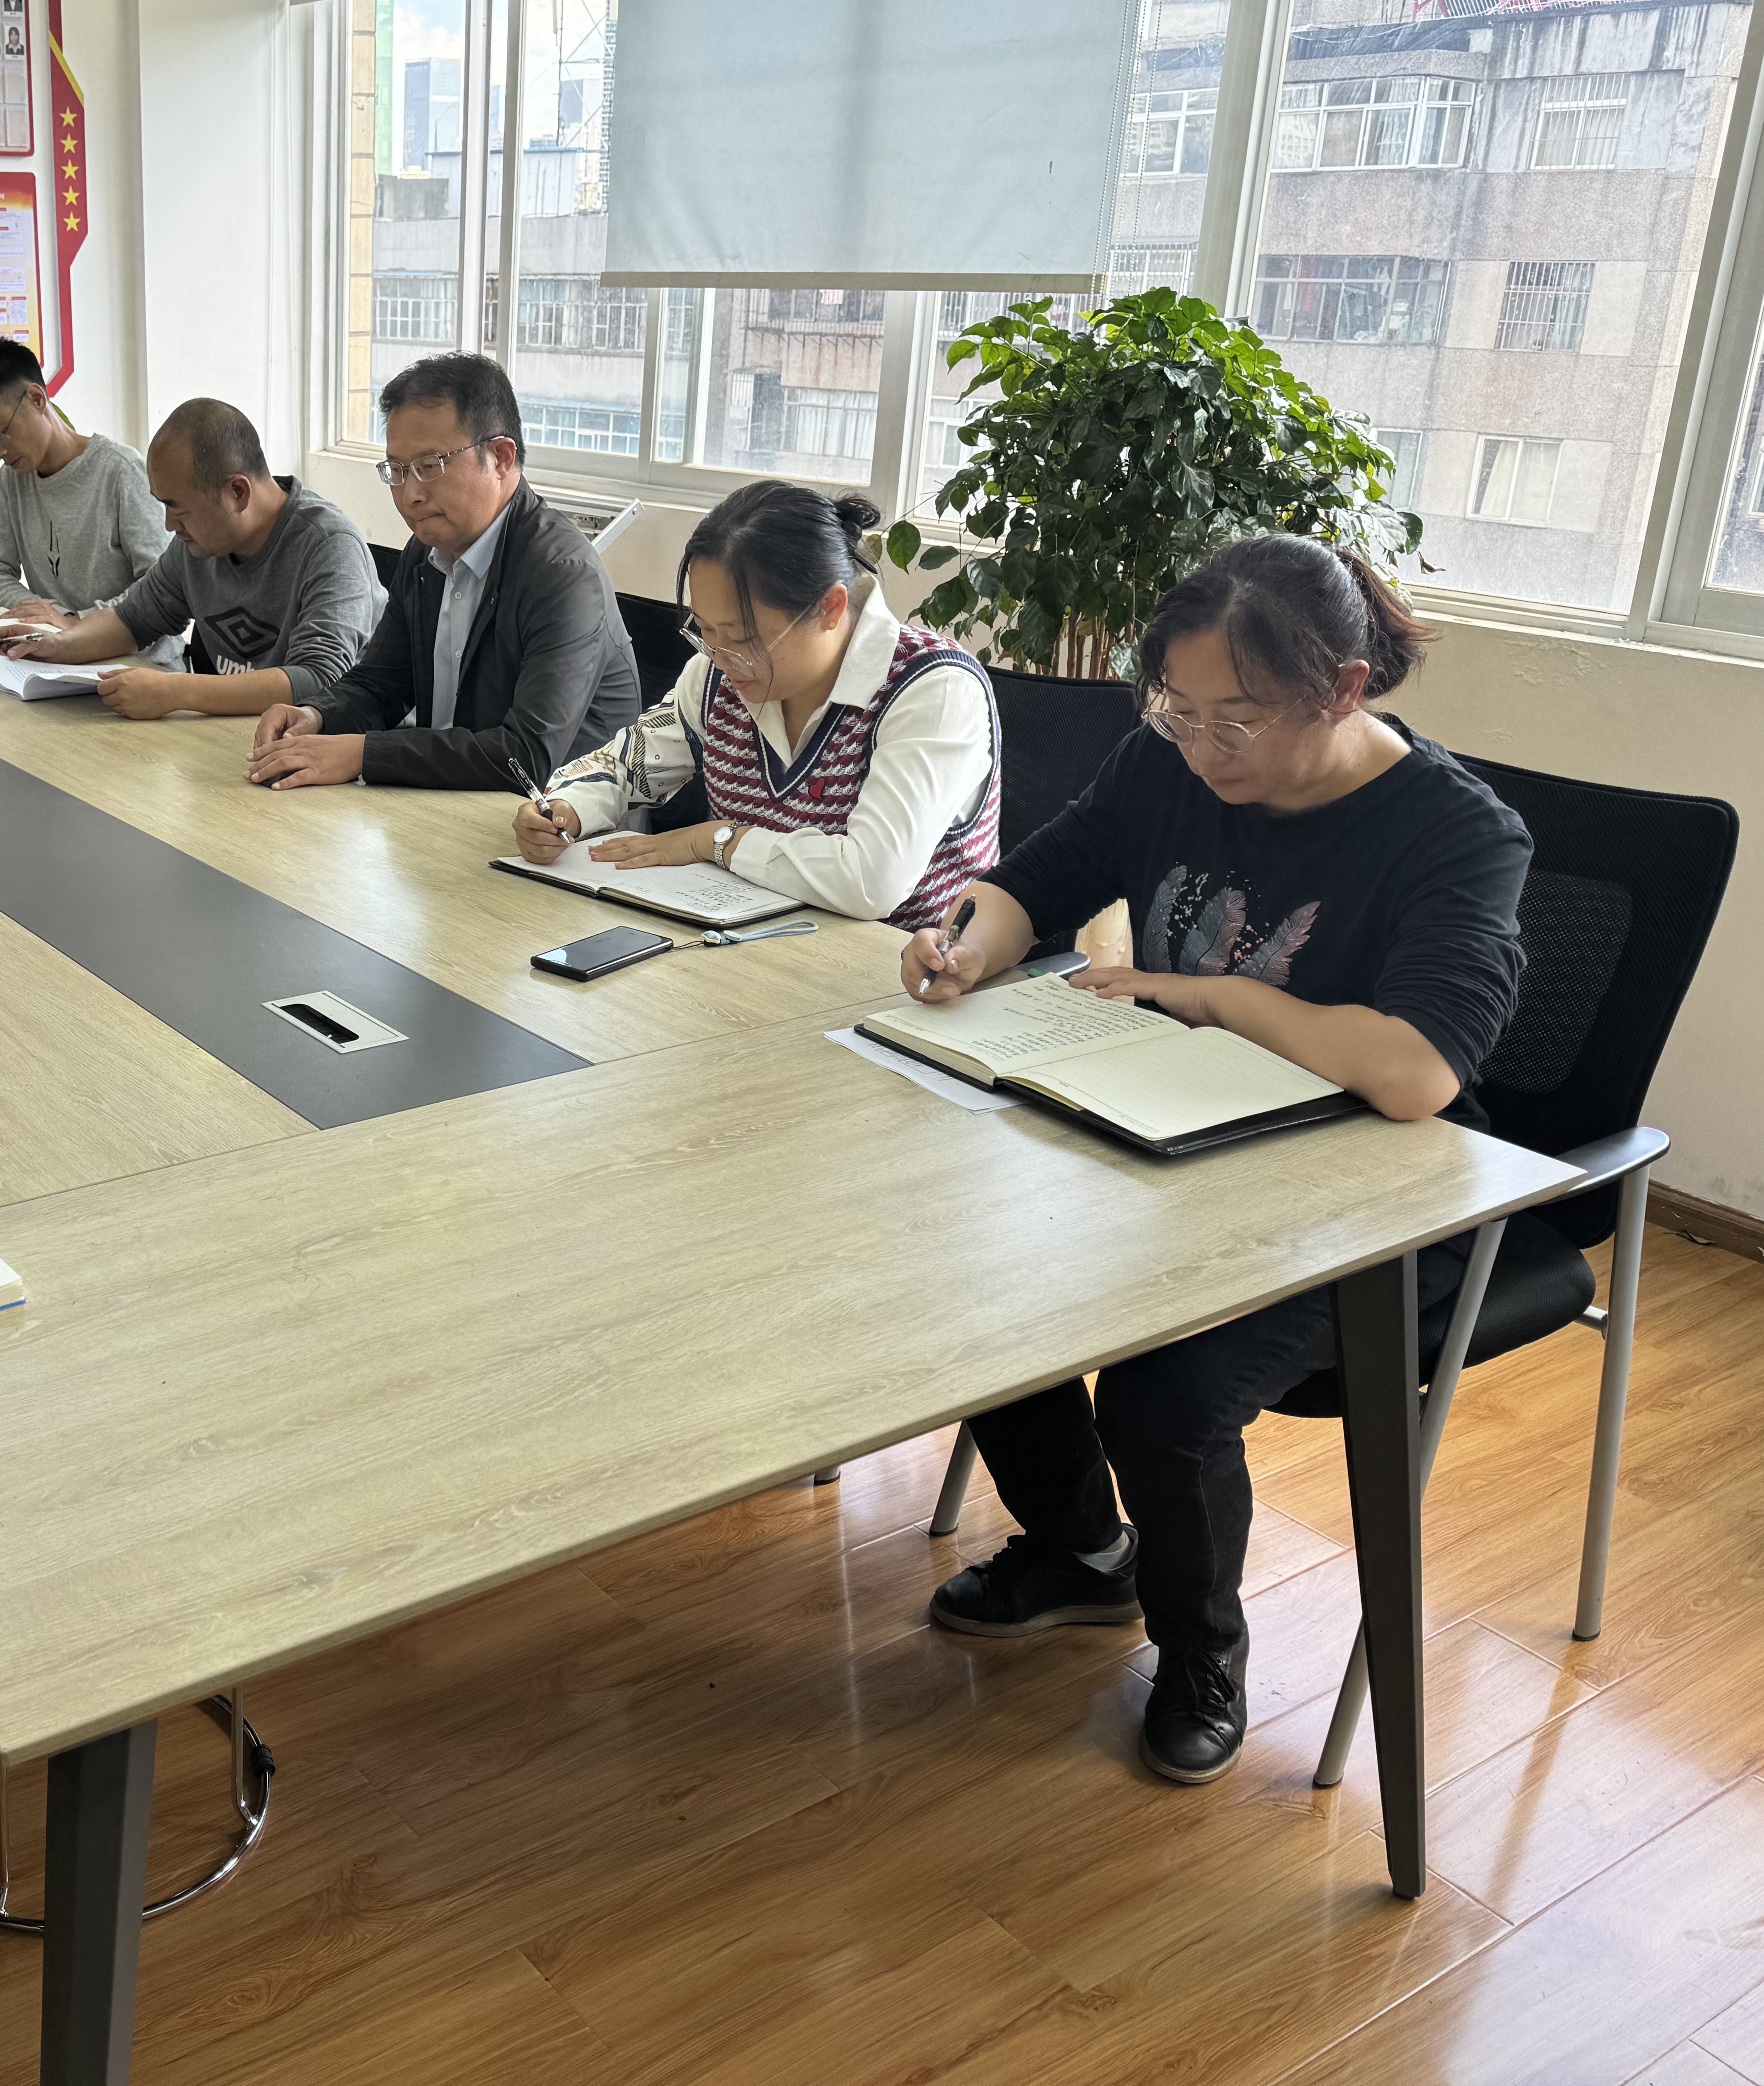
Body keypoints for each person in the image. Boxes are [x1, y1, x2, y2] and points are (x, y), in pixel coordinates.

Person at [898, 535, 1529, 1785]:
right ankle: (1084, 1554)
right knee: (963, 1271)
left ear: (1343, 689)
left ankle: (1201, 1653)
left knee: (1166, 1398)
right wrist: (966, 945)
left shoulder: (1454, 833)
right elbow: (1037, 882)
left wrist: (1210, 996)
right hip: (1173, 1143)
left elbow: (1416, 1072)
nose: (1199, 749)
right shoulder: (1164, 763)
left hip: (1368, 1200)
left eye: (1234, 721)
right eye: (1176, 711)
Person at [515, 481, 998, 926]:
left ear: (829, 608)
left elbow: (871, 882)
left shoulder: (933, 689)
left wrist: (715, 840)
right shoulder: (717, 676)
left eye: (743, 637)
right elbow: (625, 766)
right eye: (705, 630)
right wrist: (566, 809)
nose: (721, 658)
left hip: (899, 973)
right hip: (749, 950)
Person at [249, 352, 638, 791]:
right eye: (397, 471)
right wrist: (316, 715)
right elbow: (382, 684)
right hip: (451, 802)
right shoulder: (425, 554)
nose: (410, 494)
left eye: (430, 466)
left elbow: (526, 757)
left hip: (567, 820)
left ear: (501, 457)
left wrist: (362, 754)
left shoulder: (563, 575)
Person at [0, 398, 378, 720]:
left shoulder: (330, 547)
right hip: (237, 742)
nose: (170, 525)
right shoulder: (197, 546)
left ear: (238, 493)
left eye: (178, 508)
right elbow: (132, 620)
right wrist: (57, 645)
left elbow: (318, 679)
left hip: (333, 759)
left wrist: (177, 691)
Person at [0, 334, 168, 628]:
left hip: (134, 652)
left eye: (0, 435)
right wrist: (51, 615)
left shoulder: (122, 472)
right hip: (56, 648)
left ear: (36, 399)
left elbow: (163, 589)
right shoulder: (10, 482)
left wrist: (78, 623)